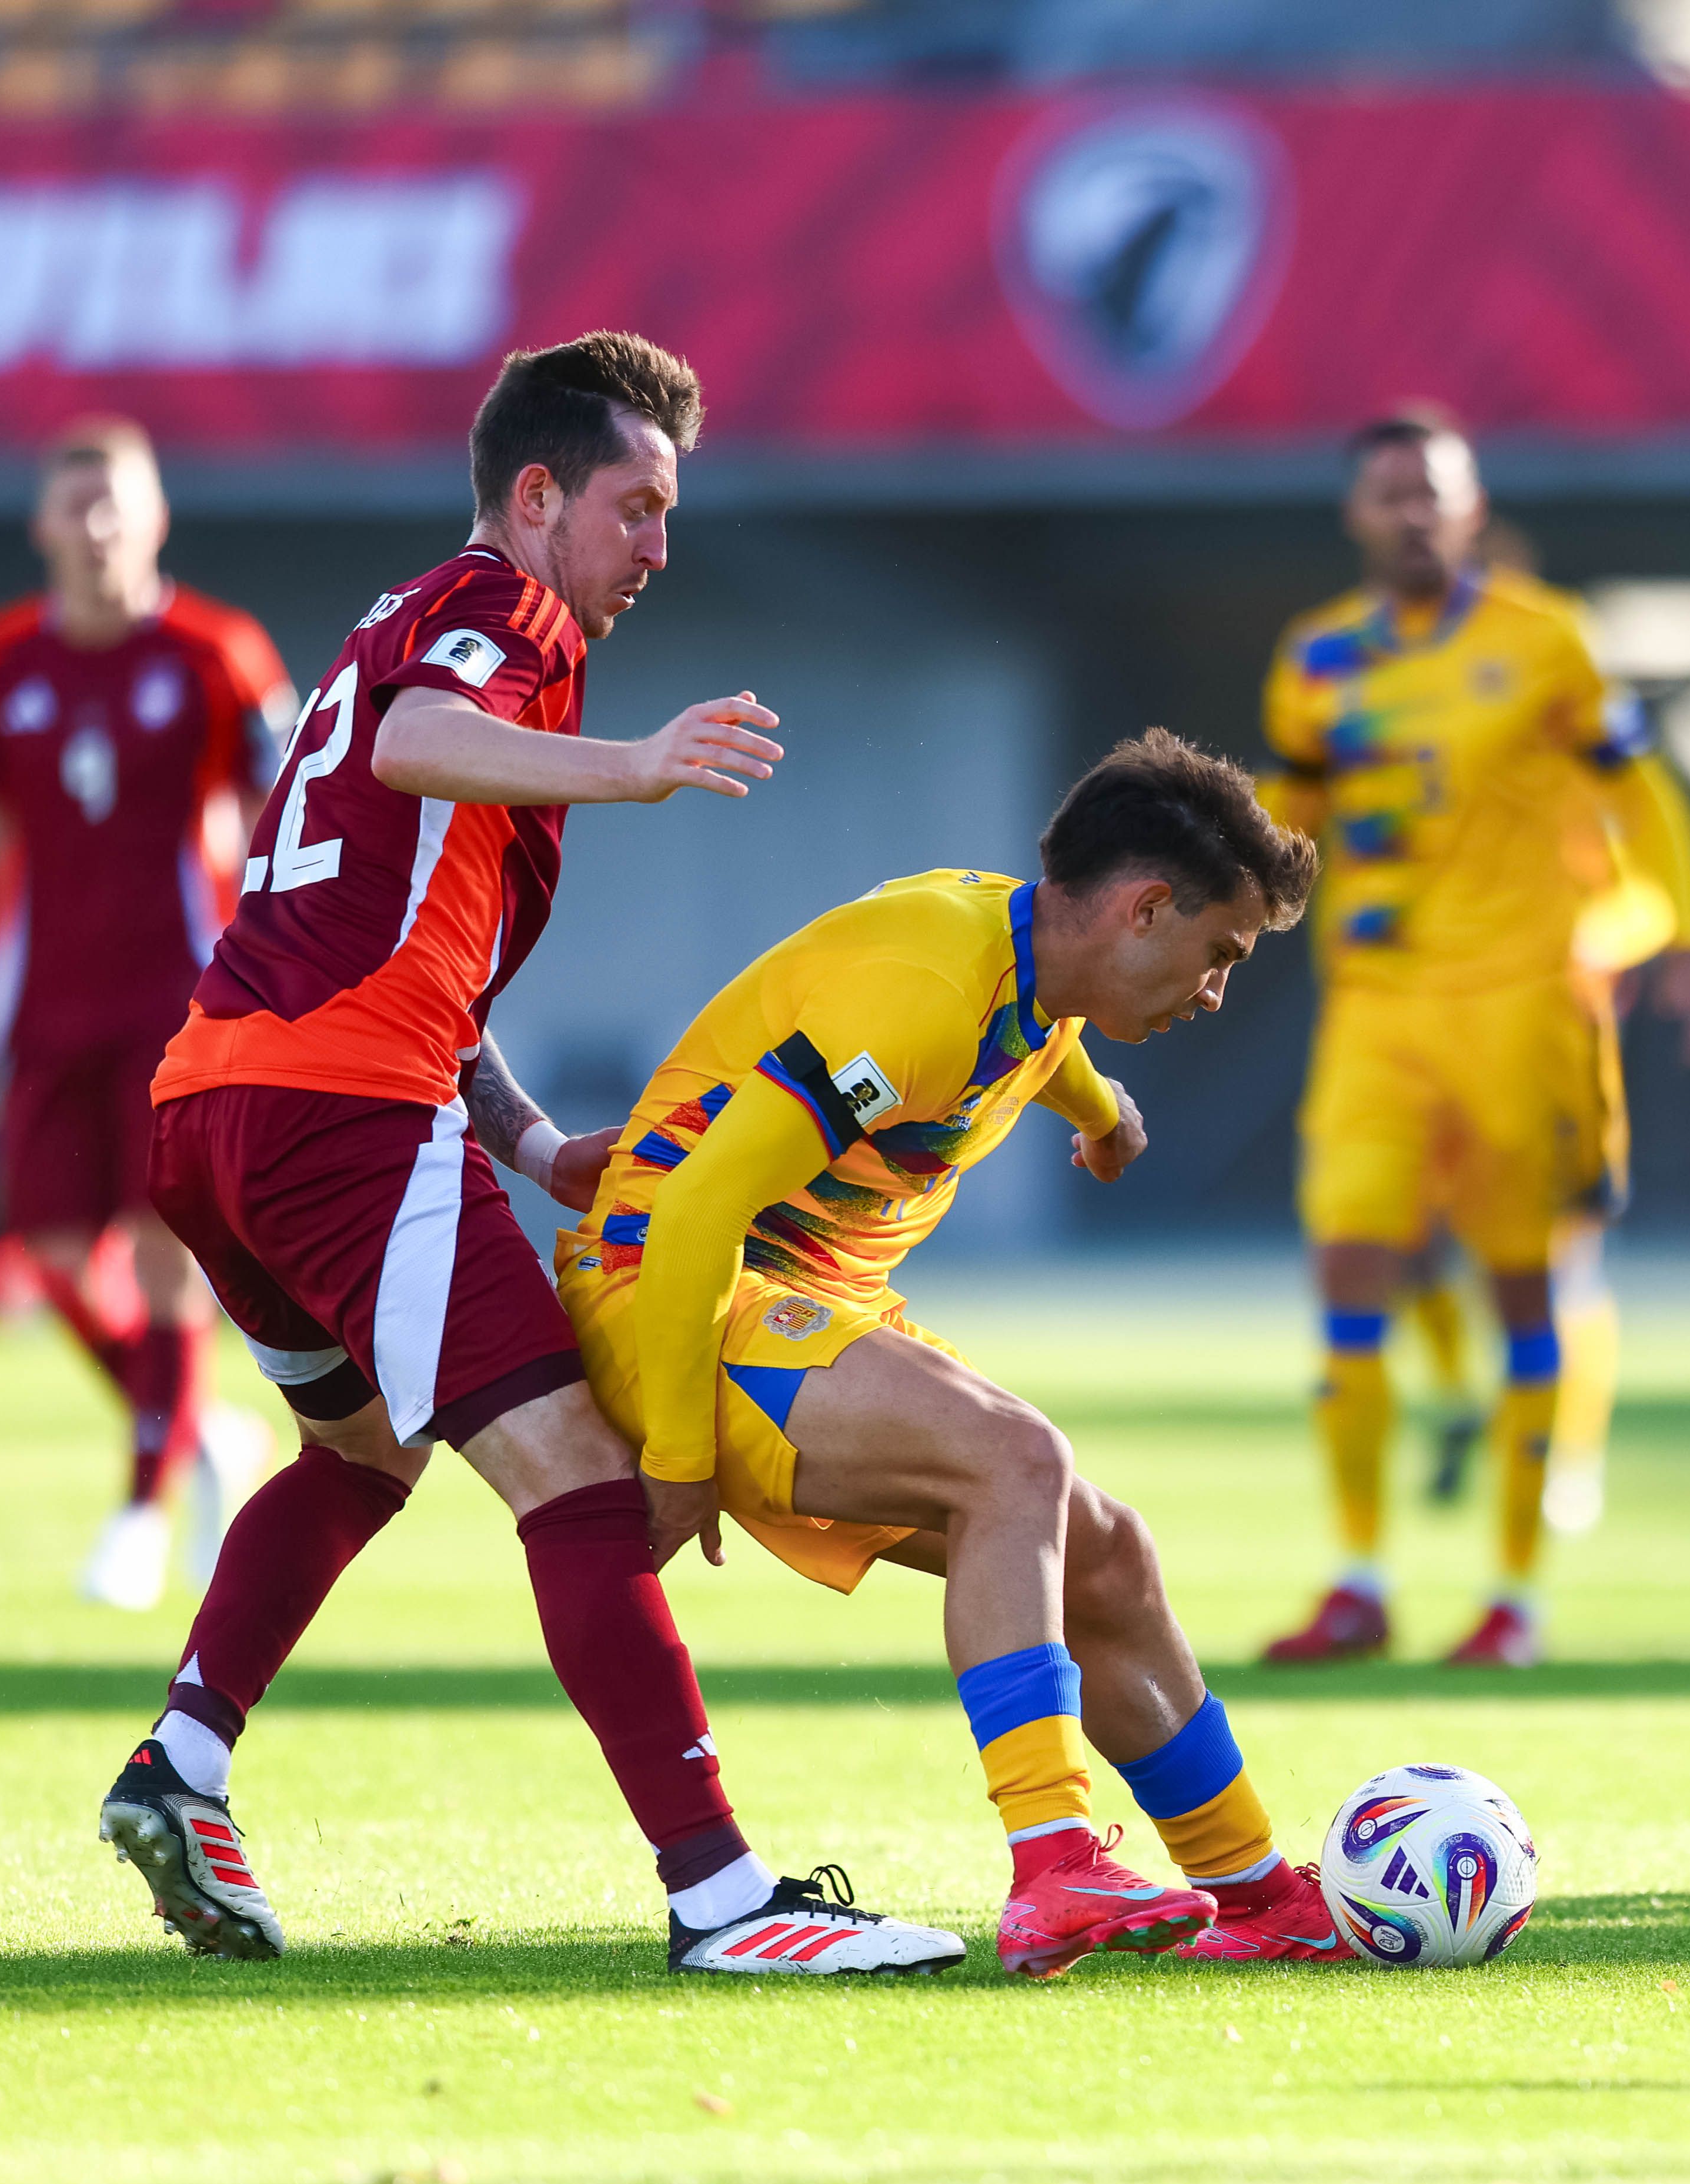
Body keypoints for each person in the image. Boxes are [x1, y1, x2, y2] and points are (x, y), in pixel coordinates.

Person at [95, 332, 951, 1979]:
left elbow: (405, 905)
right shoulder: (507, 611)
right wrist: (631, 767)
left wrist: (528, 1137)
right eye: (636, 506)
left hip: (214, 1104)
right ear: (538, 495)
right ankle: (723, 1898)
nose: (658, 547)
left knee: (360, 1456)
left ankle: (183, 1761)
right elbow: (422, 742)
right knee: (580, 1479)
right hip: (335, 1113)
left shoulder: (404, 618)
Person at [559, 734, 1348, 1974]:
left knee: (1110, 1555)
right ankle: (1053, 1866)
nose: (1214, 991)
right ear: (1145, 908)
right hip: (673, 1286)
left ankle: (1256, 1894)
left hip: (805, 1298)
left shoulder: (1035, 961)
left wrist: (1097, 1111)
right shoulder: (922, 984)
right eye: (1221, 954)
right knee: (1014, 1456)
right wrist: (674, 1453)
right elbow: (705, 1203)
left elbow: (1039, 1037)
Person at [1259, 409, 1690, 1667]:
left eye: (1433, 493)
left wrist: (1673, 927)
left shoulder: (1548, 640)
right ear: (1355, 514)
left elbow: (1639, 786)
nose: (1411, 513)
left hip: (1523, 1006)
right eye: (1388, 493)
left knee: (1533, 1288)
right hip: (1379, 1007)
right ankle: (1357, 1577)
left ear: (1470, 510)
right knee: (1351, 1276)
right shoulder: (1315, 661)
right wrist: (1204, 902)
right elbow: (1287, 810)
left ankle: (1516, 1595)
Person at [0, 418, 295, 1608]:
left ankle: (142, 1508)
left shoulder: (218, 651)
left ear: (155, 519)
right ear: (40, 525)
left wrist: (286, 976)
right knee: (42, 1252)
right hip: (44, 1002)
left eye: (116, 506)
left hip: (182, 1000)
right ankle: (194, 1430)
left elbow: (293, 810)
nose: (95, 530)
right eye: (74, 507)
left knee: (166, 1246)